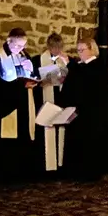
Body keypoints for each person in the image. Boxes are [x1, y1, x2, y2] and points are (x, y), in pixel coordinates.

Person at [0, 27, 40, 181]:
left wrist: (33, 72)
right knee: (6, 139)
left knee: (22, 136)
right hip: (5, 105)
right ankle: (3, 173)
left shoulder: (24, 55)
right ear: (8, 41)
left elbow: (32, 74)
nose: (20, 49)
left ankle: (21, 172)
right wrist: (19, 85)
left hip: (23, 103)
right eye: (16, 46)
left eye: (23, 46)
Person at [59, 37, 108, 181]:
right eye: (78, 50)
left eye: (82, 50)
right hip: (76, 109)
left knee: (88, 143)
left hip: (90, 112)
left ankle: (88, 172)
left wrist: (70, 65)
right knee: (76, 141)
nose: (80, 53)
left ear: (91, 49)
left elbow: (86, 84)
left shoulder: (97, 66)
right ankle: (74, 171)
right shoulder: (80, 66)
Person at [31, 32, 71, 177]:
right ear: (48, 46)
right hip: (44, 99)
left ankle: (60, 165)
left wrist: (64, 76)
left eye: (59, 48)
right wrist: (41, 81)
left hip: (60, 100)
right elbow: (33, 79)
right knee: (45, 131)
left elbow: (71, 77)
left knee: (60, 131)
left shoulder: (65, 60)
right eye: (54, 48)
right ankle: (44, 167)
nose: (56, 51)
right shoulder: (38, 60)